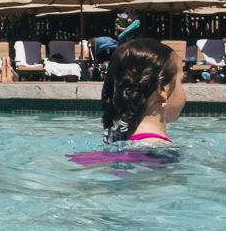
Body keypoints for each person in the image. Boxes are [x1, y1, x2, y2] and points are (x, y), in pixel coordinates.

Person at [69, 38, 186, 168]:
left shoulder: (118, 144)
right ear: (162, 88)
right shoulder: (164, 155)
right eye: (181, 81)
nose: (183, 88)